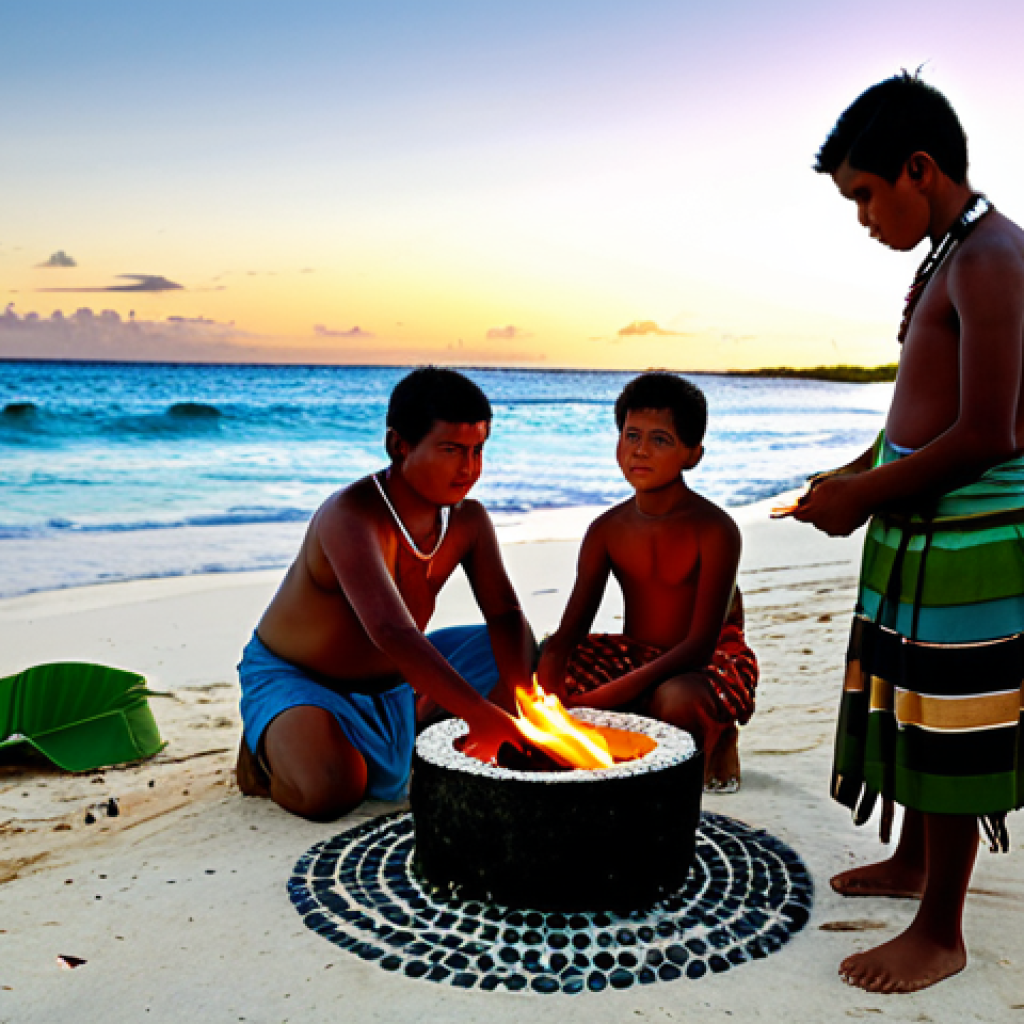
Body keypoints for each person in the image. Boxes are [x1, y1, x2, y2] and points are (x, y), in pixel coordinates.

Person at [789, 72, 1024, 993]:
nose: (861, 217)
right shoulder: (951, 252)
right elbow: (918, 416)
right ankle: (916, 865)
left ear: (918, 170)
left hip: (969, 539)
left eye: (864, 194)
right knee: (910, 701)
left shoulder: (992, 258)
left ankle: (941, 930)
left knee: (949, 726)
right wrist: (857, 475)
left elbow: (990, 432)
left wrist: (870, 494)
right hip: (921, 530)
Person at [235, 367, 532, 821]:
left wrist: (513, 697)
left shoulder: (468, 521)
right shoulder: (351, 515)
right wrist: (479, 713)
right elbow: (391, 630)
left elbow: (505, 614)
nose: (469, 468)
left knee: (521, 650)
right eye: (451, 450)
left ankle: (425, 717)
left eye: (478, 450)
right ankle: (264, 755)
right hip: (305, 678)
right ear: (399, 445)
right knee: (330, 791)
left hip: (397, 681)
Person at [537, 371, 758, 789]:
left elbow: (699, 645)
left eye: (660, 440)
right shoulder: (606, 529)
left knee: (673, 700)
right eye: (631, 435)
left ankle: (720, 729)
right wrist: (549, 686)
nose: (640, 450)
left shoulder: (714, 529)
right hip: (636, 656)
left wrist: (606, 697)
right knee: (544, 660)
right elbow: (571, 631)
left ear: (692, 454)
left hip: (707, 663)